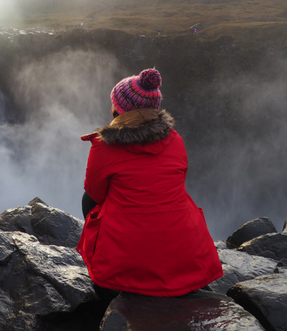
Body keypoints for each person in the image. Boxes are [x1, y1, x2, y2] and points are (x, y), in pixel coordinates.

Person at [76, 68, 222, 297]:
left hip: (127, 259)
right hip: (182, 253)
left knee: (89, 200)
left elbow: (95, 193)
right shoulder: (176, 140)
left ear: (119, 108)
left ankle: (112, 259)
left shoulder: (104, 147)